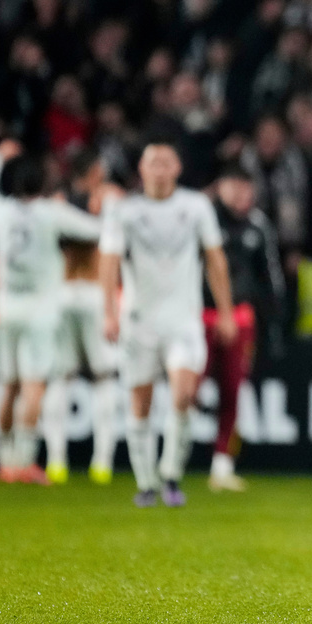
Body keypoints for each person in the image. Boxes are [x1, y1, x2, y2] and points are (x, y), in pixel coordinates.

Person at [99, 141, 236, 508]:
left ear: (177, 168)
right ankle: (146, 482)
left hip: (182, 321)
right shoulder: (124, 211)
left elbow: (215, 259)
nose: (159, 168)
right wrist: (108, 312)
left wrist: (225, 311)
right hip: (139, 322)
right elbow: (108, 262)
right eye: (153, 162)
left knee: (183, 395)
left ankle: (171, 474)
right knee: (140, 404)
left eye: (166, 162)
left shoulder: (196, 206)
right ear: (142, 170)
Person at [0, 140, 102, 484]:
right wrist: (109, 207)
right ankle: (24, 461)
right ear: (43, 184)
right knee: (33, 387)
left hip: (7, 309)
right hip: (41, 311)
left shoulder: (1, 211)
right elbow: (95, 230)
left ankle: (4, 460)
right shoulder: (51, 212)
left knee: (8, 385)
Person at [40, 149, 123, 486]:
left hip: (61, 293)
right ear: (94, 172)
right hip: (94, 294)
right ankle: (102, 462)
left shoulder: (56, 204)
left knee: (60, 378)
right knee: (104, 378)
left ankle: (56, 461)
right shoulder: (108, 200)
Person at [201, 167, 285, 492]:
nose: (242, 196)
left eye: (247, 189)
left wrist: (274, 322)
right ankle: (172, 461)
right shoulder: (203, 219)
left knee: (233, 391)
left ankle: (222, 466)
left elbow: (271, 276)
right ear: (220, 187)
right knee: (187, 389)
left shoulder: (259, 225)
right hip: (201, 313)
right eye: (235, 188)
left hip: (241, 318)